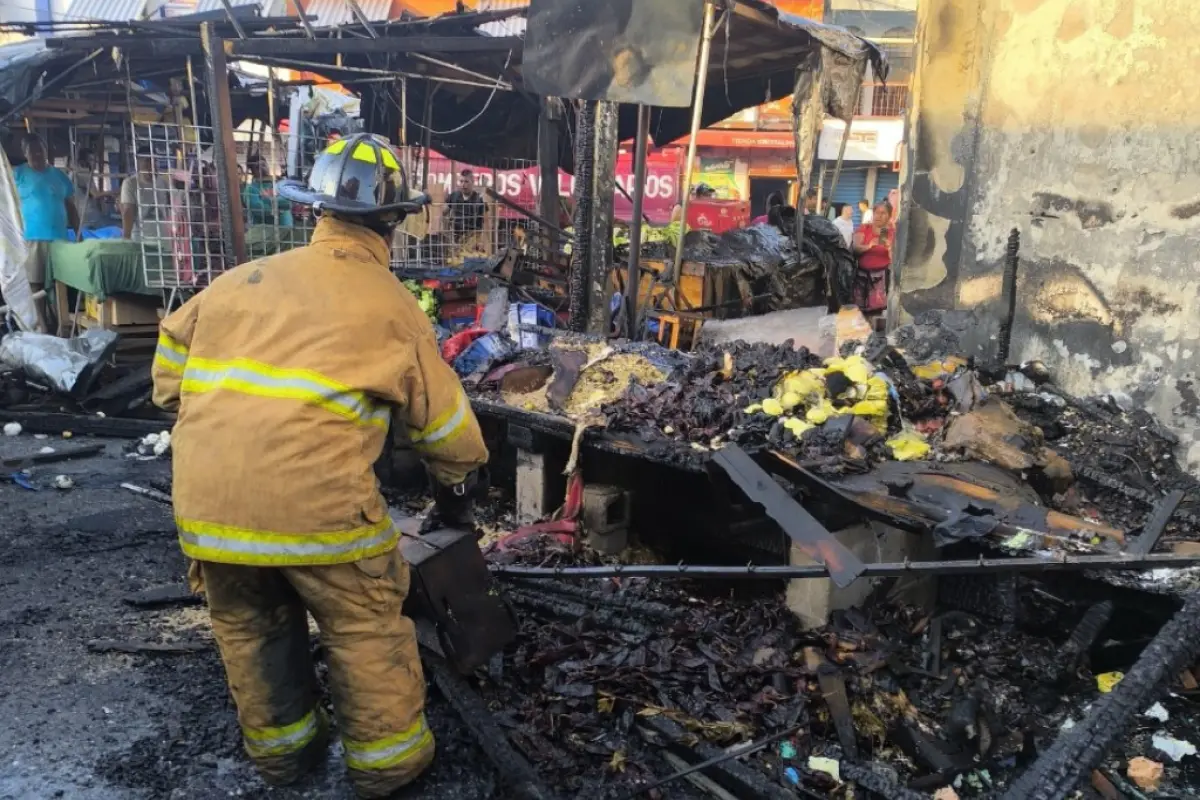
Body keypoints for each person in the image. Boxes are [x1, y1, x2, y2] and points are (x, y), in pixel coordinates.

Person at [151, 133, 489, 799]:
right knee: (364, 624)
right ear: (392, 220)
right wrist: (455, 500)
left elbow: (167, 383)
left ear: (314, 211)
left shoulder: (238, 282)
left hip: (209, 510)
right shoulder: (392, 306)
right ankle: (387, 767)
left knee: (251, 629)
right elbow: (449, 433)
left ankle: (285, 759)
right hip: (318, 514)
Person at [14, 134, 77, 299]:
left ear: (45, 151)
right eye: (32, 151)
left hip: (59, 239)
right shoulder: (17, 174)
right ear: (25, 153)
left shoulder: (59, 176)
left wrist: (79, 235)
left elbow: (71, 207)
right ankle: (42, 323)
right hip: (31, 237)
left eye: (40, 150)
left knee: (60, 282)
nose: (37, 154)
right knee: (35, 282)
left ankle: (60, 320)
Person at [852, 201, 894, 314]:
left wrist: (890, 248)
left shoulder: (892, 233)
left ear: (889, 216)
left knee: (878, 312)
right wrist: (869, 246)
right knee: (859, 311)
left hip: (881, 278)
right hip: (861, 276)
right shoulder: (864, 228)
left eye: (883, 213)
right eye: (876, 212)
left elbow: (896, 261)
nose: (879, 216)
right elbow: (855, 248)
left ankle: (876, 330)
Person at [119, 151, 171, 242]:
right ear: (139, 164)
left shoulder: (163, 182)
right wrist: (126, 238)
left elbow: (170, 207)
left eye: (154, 162)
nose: (152, 166)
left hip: (164, 237)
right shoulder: (130, 183)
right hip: (142, 239)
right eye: (147, 162)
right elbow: (128, 211)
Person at [242, 151, 293, 227]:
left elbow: (289, 202)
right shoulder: (251, 189)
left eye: (263, 164)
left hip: (286, 228)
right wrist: (278, 207)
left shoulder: (279, 183)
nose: (262, 168)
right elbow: (259, 209)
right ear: (252, 171)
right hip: (263, 233)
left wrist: (267, 199)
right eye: (257, 167)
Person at [444, 168, 484, 244]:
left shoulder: (479, 200)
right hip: (455, 238)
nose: (463, 184)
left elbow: (486, 224)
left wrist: (482, 241)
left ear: (473, 182)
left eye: (466, 181)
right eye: (461, 181)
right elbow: (442, 212)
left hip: (472, 240)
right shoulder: (454, 196)